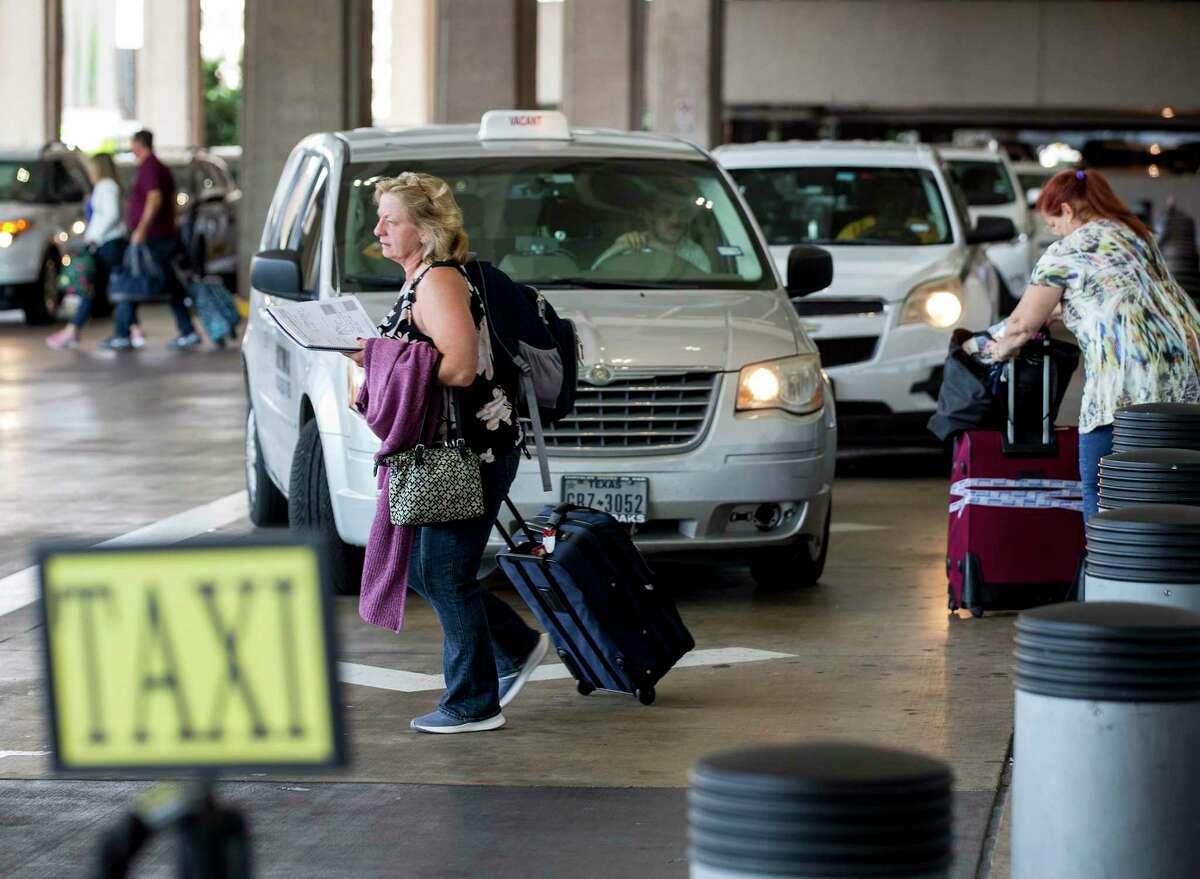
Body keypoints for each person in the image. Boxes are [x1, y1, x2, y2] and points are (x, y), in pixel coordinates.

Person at [346, 171, 548, 734]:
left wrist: (383, 359)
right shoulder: (416, 282)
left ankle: (473, 703)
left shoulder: (439, 282)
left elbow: (458, 367)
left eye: (391, 218)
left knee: (443, 572)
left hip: (470, 451)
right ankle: (514, 647)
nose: (379, 228)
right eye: (380, 217)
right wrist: (371, 358)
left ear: (425, 228)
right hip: (441, 451)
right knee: (422, 568)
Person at [986, 169, 1200, 522]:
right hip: (1186, 371)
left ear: (1068, 211)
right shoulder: (1138, 236)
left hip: (1130, 377)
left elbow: (1021, 325)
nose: (1054, 232)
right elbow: (1114, 293)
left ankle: (1107, 570)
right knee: (1174, 485)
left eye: (1054, 224)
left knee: (1099, 487)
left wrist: (996, 351)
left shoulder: (1066, 250)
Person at [100, 129, 200, 350]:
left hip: (154, 238)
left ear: (138, 144)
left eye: (132, 145)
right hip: (161, 235)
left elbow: (154, 198)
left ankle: (124, 333)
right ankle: (126, 331)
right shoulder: (159, 167)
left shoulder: (149, 168)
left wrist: (141, 230)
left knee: (136, 281)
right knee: (158, 283)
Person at [46, 153, 135, 349]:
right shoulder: (110, 187)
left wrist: (94, 236)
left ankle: (75, 330)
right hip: (111, 242)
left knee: (95, 289)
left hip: (107, 243)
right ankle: (129, 330)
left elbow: (110, 214)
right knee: (117, 288)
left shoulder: (107, 187)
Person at [592, 185, 711, 273]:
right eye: (666, 213)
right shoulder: (632, 244)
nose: (675, 220)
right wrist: (617, 248)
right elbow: (595, 276)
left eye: (682, 213)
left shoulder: (694, 252)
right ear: (649, 217)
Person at [837, 176, 940, 244]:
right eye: (887, 196)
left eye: (899, 196)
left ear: (909, 202)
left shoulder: (926, 229)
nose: (891, 203)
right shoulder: (855, 229)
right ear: (876, 201)